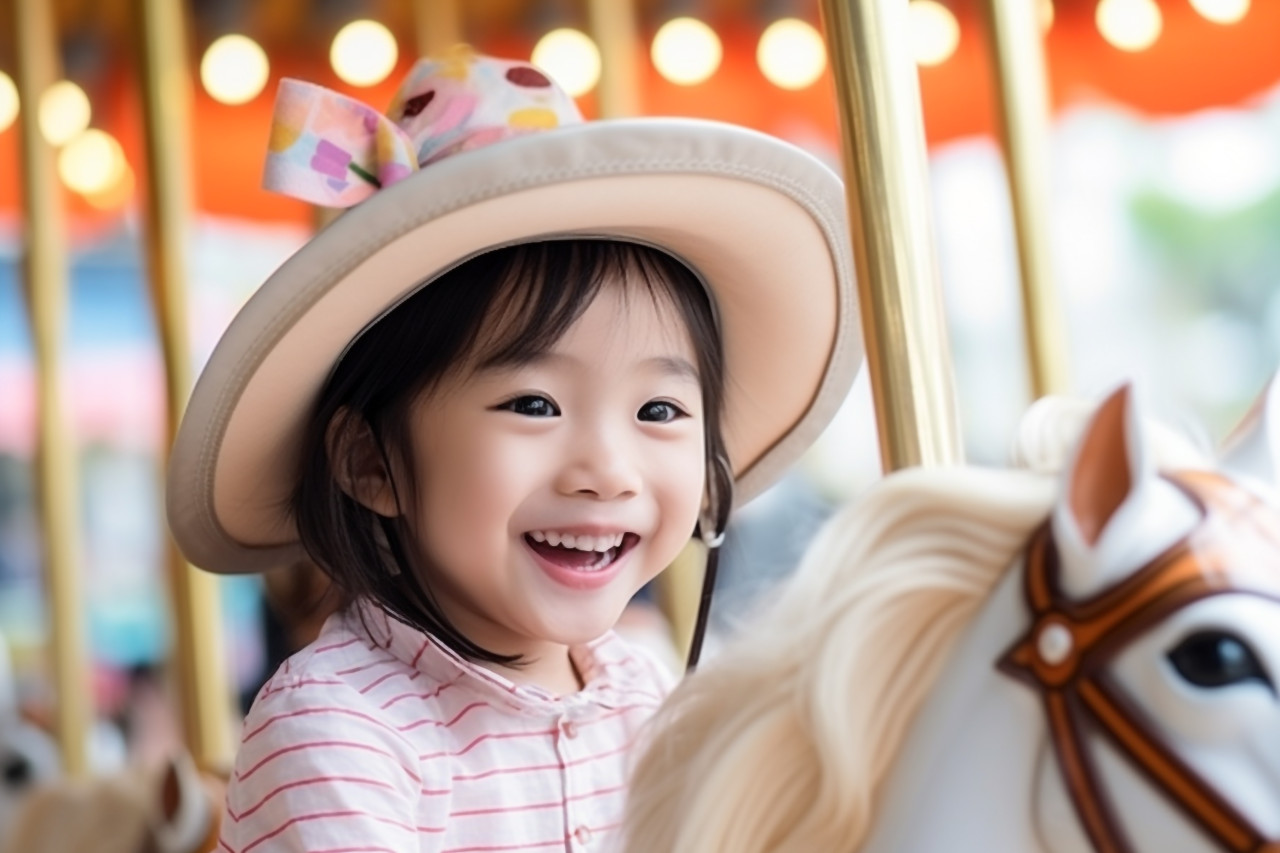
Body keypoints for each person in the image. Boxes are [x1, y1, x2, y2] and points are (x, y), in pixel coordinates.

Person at [165, 47, 860, 852]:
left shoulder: (644, 696)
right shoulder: (338, 730)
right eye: (535, 403)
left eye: (660, 408)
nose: (607, 470)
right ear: (369, 462)